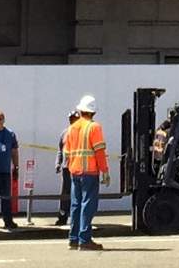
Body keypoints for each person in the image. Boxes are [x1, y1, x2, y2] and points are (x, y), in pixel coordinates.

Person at [64, 95, 110, 252]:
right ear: (93, 112)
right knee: (88, 205)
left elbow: (67, 153)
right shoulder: (94, 127)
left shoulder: (71, 128)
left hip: (74, 171)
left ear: (80, 110)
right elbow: (99, 151)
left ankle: (73, 239)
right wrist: (105, 171)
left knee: (75, 205)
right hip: (89, 172)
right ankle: (85, 240)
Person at [54, 108, 77, 227]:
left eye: (75, 119)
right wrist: (58, 163)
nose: (72, 121)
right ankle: (62, 216)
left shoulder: (81, 132)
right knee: (65, 193)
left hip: (78, 168)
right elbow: (60, 150)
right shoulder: (64, 133)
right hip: (66, 168)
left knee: (77, 193)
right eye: (71, 119)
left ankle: (76, 217)